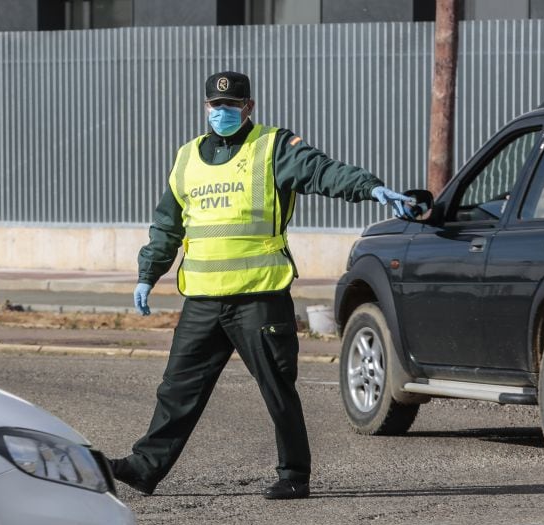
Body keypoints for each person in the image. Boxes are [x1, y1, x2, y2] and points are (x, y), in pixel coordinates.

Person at [109, 70, 412, 500]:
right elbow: (167, 224)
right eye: (216, 106)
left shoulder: (272, 147)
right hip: (202, 299)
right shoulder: (187, 158)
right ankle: (144, 468)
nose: (223, 112)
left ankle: (294, 474)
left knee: (277, 387)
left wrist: (370, 188)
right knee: (177, 389)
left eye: (232, 106)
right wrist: (147, 274)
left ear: (249, 107)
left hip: (259, 296)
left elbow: (322, 172)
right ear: (205, 108)